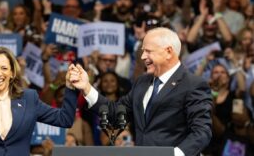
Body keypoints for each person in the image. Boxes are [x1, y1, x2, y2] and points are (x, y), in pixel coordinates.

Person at [68, 27, 212, 156]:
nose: (143, 57)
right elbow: (114, 114)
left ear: (168, 52)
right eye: (143, 51)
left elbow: (201, 132)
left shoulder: (193, 85)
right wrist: (86, 88)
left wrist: (176, 154)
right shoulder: (141, 83)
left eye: (148, 51)